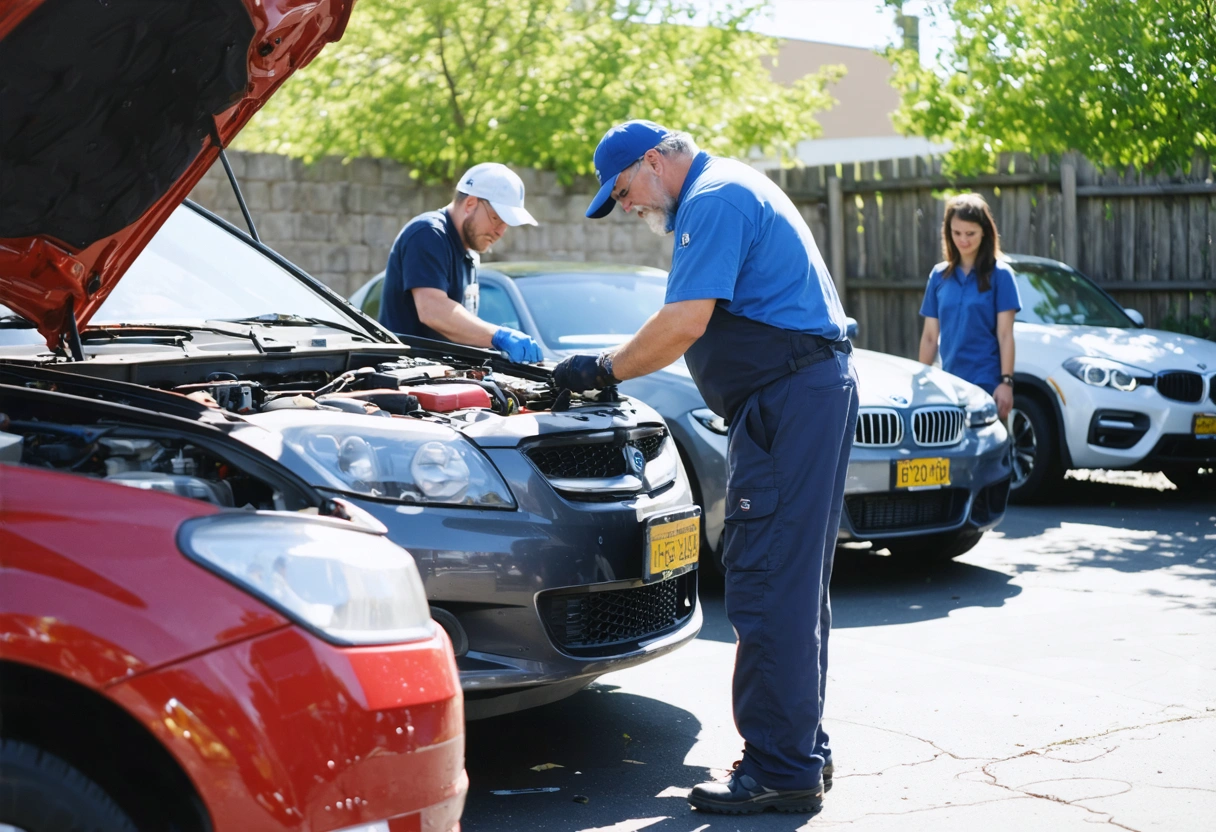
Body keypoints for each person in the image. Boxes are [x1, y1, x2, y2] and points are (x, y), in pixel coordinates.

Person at [553, 120, 858, 816]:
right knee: (794, 582)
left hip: (790, 401)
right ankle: (800, 745)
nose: (626, 206)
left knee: (766, 578)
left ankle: (780, 766)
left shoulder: (712, 199)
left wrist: (600, 369)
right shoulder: (731, 187)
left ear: (655, 161)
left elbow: (684, 319)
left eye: (623, 190)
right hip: (799, 396)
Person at [378, 162, 543, 363]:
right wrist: (497, 336)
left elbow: (459, 327)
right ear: (471, 203)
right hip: (406, 379)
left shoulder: (470, 254)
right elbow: (432, 310)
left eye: (506, 225)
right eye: (496, 219)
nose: (500, 232)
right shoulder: (428, 234)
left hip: (440, 379)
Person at [918, 193, 1021, 418]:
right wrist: (921, 381)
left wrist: (1006, 383)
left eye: (970, 233)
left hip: (987, 385)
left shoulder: (1001, 275)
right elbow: (929, 337)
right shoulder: (938, 276)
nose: (963, 240)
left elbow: (1005, 335)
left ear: (984, 231)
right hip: (948, 384)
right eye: (957, 233)